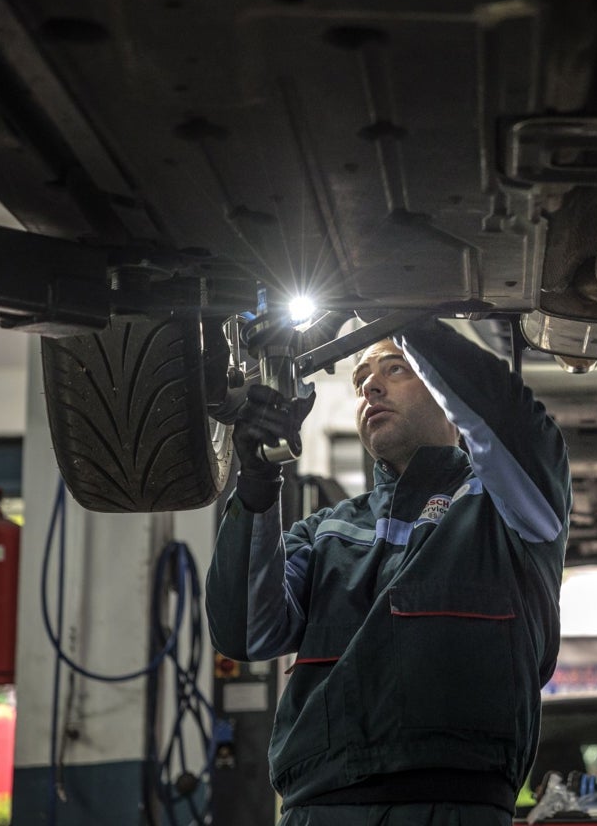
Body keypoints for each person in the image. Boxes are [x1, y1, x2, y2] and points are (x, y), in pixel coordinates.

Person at [205, 317, 572, 826]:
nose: (370, 386)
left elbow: (514, 422)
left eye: (394, 368)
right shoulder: (327, 530)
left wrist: (399, 311)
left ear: (443, 387)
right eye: (359, 380)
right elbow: (244, 630)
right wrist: (258, 480)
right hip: (319, 808)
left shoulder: (505, 514)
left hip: (453, 807)